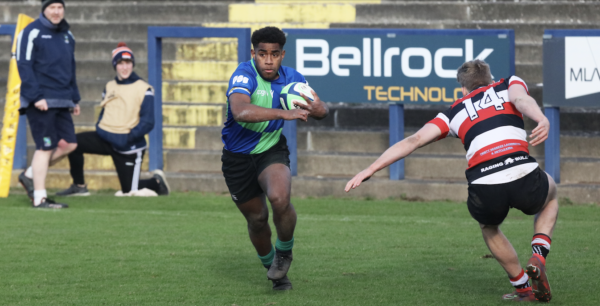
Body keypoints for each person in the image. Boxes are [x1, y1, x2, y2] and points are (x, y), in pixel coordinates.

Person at [345, 60, 558, 302]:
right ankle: (538, 257)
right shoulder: (509, 83)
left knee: (489, 227)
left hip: (484, 184)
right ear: (490, 79)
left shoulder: (453, 111)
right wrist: (542, 119)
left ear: (463, 90)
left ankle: (522, 288)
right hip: (522, 173)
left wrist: (370, 169)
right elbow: (521, 100)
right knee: (551, 195)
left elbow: (413, 140)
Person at [222, 27, 328, 290]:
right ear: (253, 54)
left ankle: (284, 252)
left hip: (271, 150)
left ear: (282, 54)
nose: (268, 60)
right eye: (262, 54)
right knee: (257, 219)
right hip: (237, 159)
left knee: (280, 199)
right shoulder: (243, 74)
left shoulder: (293, 79)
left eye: (274, 54)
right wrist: (284, 114)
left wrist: (316, 109)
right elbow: (240, 111)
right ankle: (274, 270)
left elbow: (322, 109)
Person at [56, 43, 170, 197]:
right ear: (115, 65)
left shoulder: (144, 89)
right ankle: (79, 186)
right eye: (120, 63)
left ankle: (156, 182)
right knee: (74, 143)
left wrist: (127, 138)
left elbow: (148, 122)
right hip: (106, 138)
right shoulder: (109, 85)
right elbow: (106, 112)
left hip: (128, 146)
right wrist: (101, 128)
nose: (124, 67)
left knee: (129, 191)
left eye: (128, 63)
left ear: (133, 65)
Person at [17, 0, 80, 208]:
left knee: (70, 144)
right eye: (52, 7)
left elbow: (70, 68)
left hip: (62, 98)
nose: (56, 11)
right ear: (44, 9)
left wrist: (75, 98)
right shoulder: (31, 31)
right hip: (41, 99)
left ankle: (29, 175)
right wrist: (36, 97)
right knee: (45, 147)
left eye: (60, 7)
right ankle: (40, 198)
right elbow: (23, 65)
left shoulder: (67, 35)